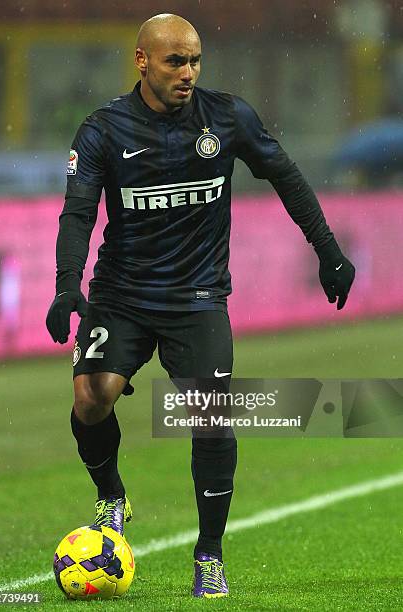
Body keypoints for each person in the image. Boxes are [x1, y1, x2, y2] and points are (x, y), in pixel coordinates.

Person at [46, 13, 355, 599]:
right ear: (142, 60)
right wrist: (67, 284)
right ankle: (112, 497)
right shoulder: (102, 130)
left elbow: (286, 177)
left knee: (209, 418)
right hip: (123, 294)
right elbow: (78, 212)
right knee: (90, 398)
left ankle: (209, 554)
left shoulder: (227, 117)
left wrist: (329, 250)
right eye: (174, 61)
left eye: (194, 61)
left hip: (198, 296)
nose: (188, 73)